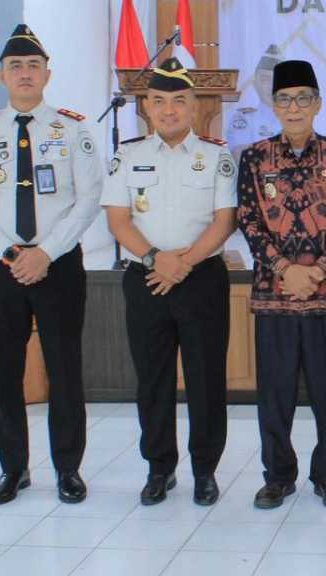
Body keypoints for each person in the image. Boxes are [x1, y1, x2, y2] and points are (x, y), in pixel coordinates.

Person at [0, 24, 102, 505]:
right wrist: (12, 253)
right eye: (15, 66)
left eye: (33, 65)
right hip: (1, 269)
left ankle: (68, 469)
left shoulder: (73, 129)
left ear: (47, 74)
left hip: (58, 266)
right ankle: (13, 469)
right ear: (1, 75)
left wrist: (45, 253)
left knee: (65, 369)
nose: (24, 73)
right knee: (5, 371)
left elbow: (88, 199)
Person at [101, 57, 237, 507]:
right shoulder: (128, 155)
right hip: (146, 280)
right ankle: (159, 468)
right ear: (146, 106)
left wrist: (184, 263)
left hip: (202, 281)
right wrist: (155, 259)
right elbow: (118, 220)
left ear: (194, 105)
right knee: (152, 380)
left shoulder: (216, 156)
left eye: (178, 101)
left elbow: (224, 221)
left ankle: (205, 470)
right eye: (159, 101)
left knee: (206, 379)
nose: (169, 110)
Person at [237, 59, 326, 511]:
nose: (294, 107)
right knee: (274, 393)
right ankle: (278, 477)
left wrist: (317, 272)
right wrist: (284, 269)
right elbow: (249, 220)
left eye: (303, 99)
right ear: (274, 106)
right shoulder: (254, 157)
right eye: (285, 99)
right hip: (275, 296)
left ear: (318, 104)